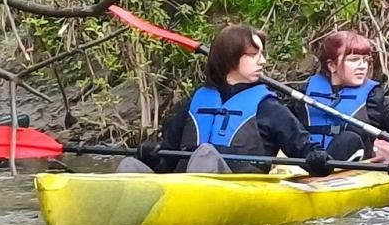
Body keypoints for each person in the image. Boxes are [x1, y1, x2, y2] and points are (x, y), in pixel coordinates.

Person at [120, 24, 309, 174]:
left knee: (205, 155)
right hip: (186, 187)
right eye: (253, 55)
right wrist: (152, 155)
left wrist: (317, 160)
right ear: (230, 59)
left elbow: (305, 151)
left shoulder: (268, 107)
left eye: (261, 54)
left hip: (240, 189)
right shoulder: (195, 102)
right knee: (129, 164)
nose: (263, 61)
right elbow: (166, 163)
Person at [298, 30, 389, 176]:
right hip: (305, 167)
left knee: (349, 140)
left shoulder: (373, 100)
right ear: (332, 65)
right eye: (354, 59)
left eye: (365, 60)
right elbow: (280, 128)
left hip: (352, 171)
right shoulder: (303, 95)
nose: (362, 66)